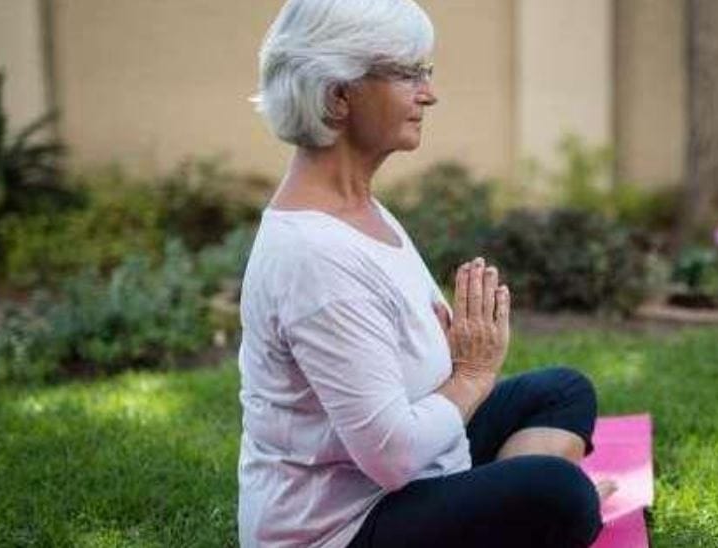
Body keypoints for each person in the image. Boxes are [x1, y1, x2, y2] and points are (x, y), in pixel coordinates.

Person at [237, 1, 613, 546]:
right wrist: (471, 376)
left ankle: (508, 513)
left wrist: (448, 359)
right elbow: (391, 458)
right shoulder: (312, 256)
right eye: (408, 74)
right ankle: (521, 514)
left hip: (420, 469)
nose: (428, 94)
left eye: (424, 72)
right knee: (563, 495)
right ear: (338, 95)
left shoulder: (361, 209)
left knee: (562, 391)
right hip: (344, 526)